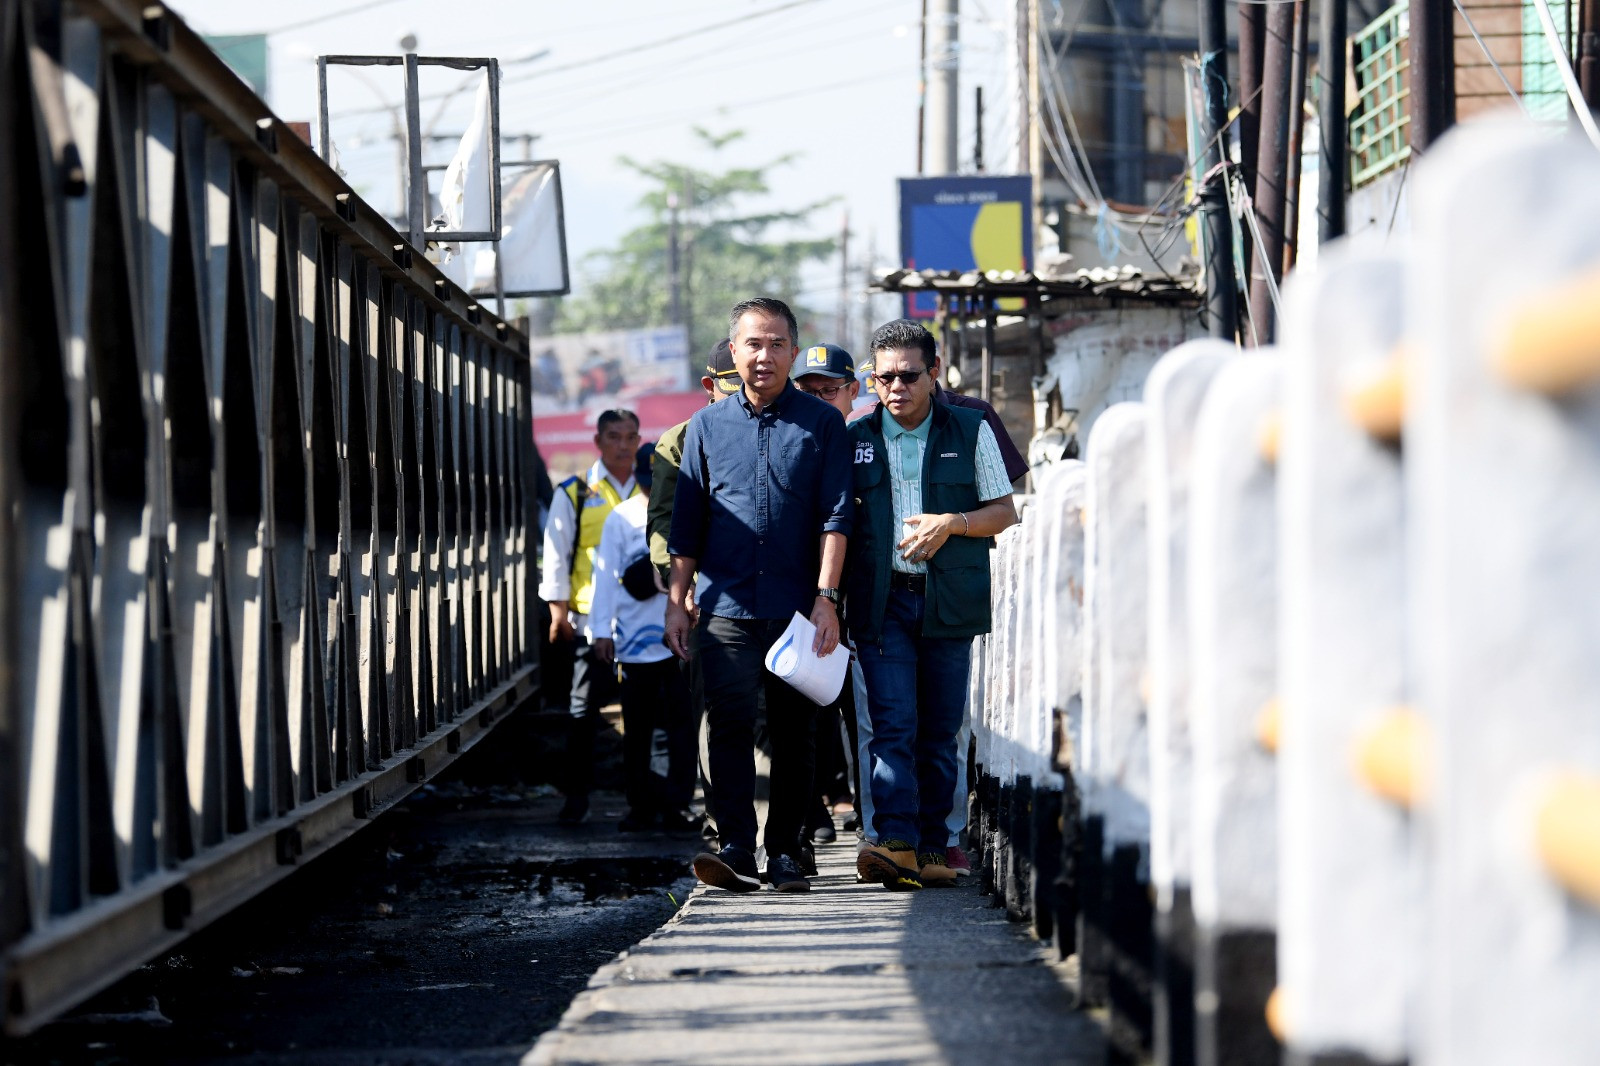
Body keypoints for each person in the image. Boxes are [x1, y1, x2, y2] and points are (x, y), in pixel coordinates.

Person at [665, 298, 852, 894]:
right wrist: (677, 598)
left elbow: (836, 517)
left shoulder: (821, 425)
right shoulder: (706, 427)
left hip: (798, 606)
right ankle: (737, 845)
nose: (764, 355)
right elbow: (686, 523)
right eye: (752, 344)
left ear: (793, 353)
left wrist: (826, 598)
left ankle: (789, 852)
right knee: (729, 726)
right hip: (724, 608)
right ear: (734, 353)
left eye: (776, 344)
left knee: (797, 733)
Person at [848, 319, 1017, 890]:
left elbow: (1004, 511)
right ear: (872, 381)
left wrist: (953, 523)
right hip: (881, 602)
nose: (896, 387)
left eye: (909, 375)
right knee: (892, 723)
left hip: (948, 600)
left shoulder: (970, 429)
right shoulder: (854, 437)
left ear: (934, 374)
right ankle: (894, 843)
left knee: (940, 730)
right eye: (884, 377)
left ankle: (934, 843)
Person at [648, 339, 745, 852]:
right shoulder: (679, 442)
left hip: (770, 592)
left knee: (779, 715)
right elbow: (665, 524)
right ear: (710, 387)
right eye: (730, 388)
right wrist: (680, 587)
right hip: (708, 597)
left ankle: (788, 827)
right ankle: (726, 825)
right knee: (718, 713)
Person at [539, 408, 643, 826]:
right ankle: (576, 799)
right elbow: (556, 555)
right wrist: (557, 613)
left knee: (642, 715)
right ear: (598, 442)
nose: (623, 445)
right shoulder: (576, 491)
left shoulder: (650, 487)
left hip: (641, 623)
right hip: (588, 622)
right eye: (614, 437)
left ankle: (643, 803)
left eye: (630, 437)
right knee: (582, 714)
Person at [591, 444, 698, 833]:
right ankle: (639, 804)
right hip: (636, 641)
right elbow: (604, 577)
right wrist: (601, 630)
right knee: (637, 727)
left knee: (682, 725)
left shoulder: (686, 509)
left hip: (682, 638)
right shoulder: (621, 517)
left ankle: (679, 802)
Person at [794, 343, 866, 844]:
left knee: (869, 710)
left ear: (853, 391)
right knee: (809, 706)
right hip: (808, 597)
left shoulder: (868, 439)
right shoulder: (792, 440)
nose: (821, 400)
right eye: (809, 391)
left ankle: (872, 811)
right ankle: (814, 807)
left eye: (830, 390)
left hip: (865, 595)